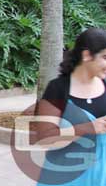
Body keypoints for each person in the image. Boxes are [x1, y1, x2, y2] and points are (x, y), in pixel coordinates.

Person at [35, 28, 106, 185]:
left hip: (100, 175)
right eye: (105, 57)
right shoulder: (58, 88)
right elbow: (45, 139)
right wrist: (89, 127)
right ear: (87, 55)